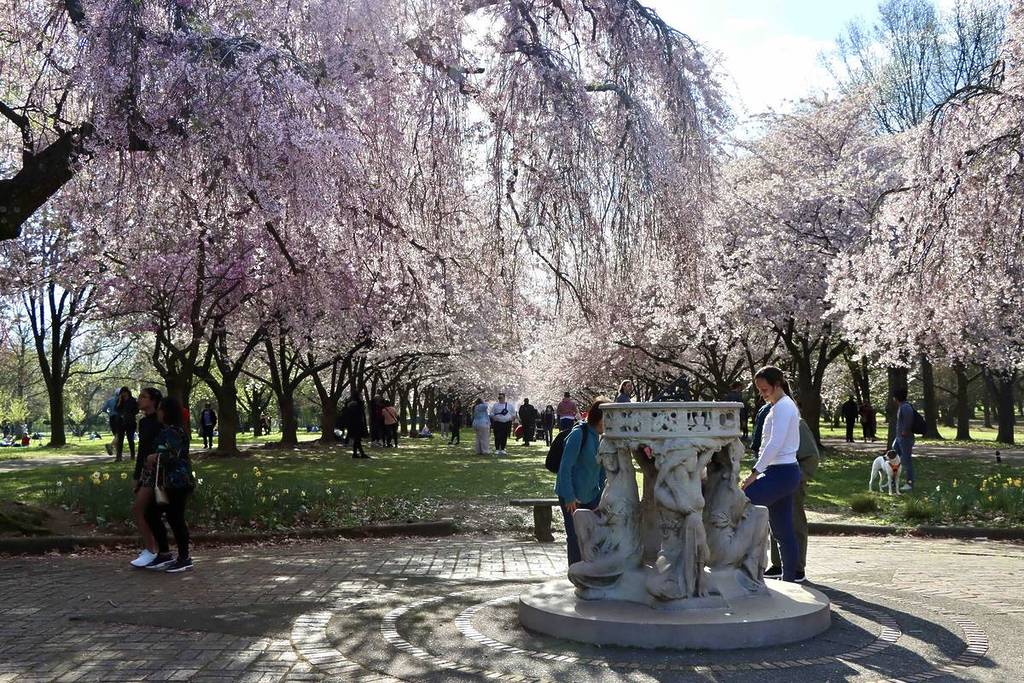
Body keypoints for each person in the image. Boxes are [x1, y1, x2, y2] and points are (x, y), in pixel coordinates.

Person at [740, 367, 803, 583]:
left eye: (765, 389)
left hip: (782, 473)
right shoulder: (778, 406)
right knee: (783, 530)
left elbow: (774, 444)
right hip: (783, 473)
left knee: (738, 504)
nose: (762, 393)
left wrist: (754, 474)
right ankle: (789, 580)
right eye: (759, 390)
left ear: (777, 385)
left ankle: (743, 570)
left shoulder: (784, 407)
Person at [142, 396, 195, 573]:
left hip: (177, 482)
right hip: (165, 482)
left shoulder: (175, 432)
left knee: (175, 517)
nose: (158, 412)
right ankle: (164, 553)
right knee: (151, 512)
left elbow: (172, 455)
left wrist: (154, 457)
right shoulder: (166, 430)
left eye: (160, 409)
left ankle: (184, 557)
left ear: (166, 412)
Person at [554, 399, 608, 566]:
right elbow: (565, 467)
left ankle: (591, 570)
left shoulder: (601, 438)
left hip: (590, 495)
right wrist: (570, 496)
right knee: (575, 536)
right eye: (608, 418)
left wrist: (600, 496)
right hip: (571, 495)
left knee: (595, 533)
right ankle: (576, 571)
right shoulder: (579, 434)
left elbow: (601, 470)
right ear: (599, 418)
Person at [766, 412, 818, 581]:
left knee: (794, 522)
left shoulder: (796, 423)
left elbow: (811, 457)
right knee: (775, 522)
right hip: (774, 479)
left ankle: (797, 567)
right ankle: (778, 564)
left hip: (792, 480)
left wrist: (798, 477)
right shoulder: (772, 421)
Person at [130, 387, 163, 568]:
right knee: (146, 511)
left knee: (140, 509)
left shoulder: (160, 421)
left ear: (153, 400)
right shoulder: (143, 423)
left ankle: (152, 550)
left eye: (144, 397)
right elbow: (142, 450)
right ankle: (153, 549)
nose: (139, 399)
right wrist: (137, 475)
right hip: (146, 471)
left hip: (159, 471)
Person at [893, 388, 915, 492]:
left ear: (897, 397)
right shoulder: (901, 406)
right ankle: (892, 481)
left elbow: (909, 419)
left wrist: (905, 431)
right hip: (899, 438)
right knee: (894, 458)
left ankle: (909, 483)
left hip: (905, 438)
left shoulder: (906, 407)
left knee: (906, 461)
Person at [114, 387, 138, 462]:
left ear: (127, 392)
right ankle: (119, 457)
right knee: (120, 440)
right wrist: (119, 401)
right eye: (121, 393)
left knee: (130, 439)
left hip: (130, 422)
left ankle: (132, 455)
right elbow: (116, 409)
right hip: (120, 422)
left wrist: (129, 414)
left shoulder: (133, 400)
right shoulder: (120, 400)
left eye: (124, 392)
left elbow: (136, 410)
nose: (123, 394)